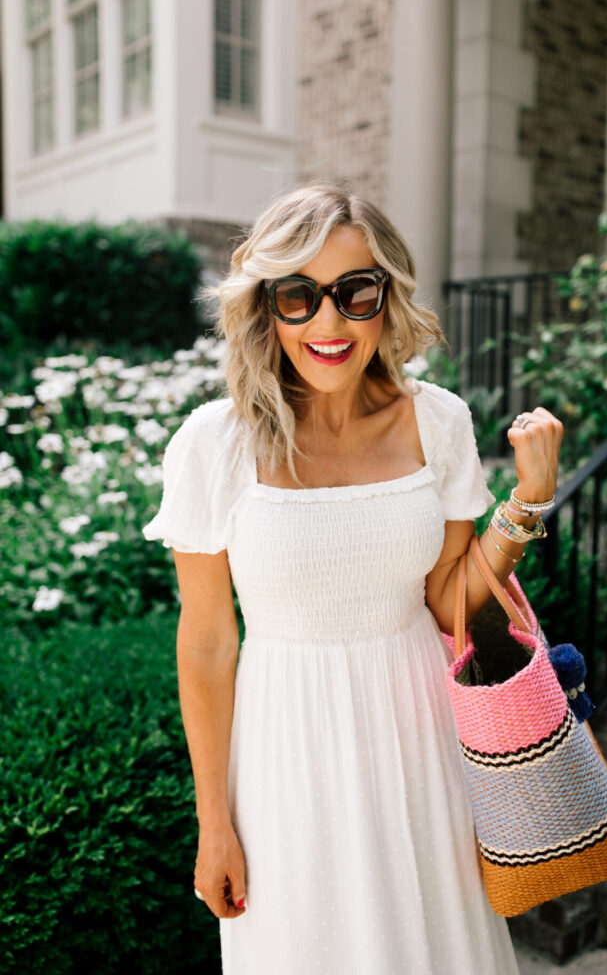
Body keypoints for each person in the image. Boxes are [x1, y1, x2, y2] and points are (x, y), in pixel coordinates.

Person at [142, 182, 564, 974]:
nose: (327, 323)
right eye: (298, 295)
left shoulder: (435, 422)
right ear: (265, 305)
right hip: (283, 758)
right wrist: (215, 823)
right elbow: (204, 643)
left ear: (386, 298)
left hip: (420, 746)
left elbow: (448, 602)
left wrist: (524, 506)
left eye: (353, 292)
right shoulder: (213, 444)